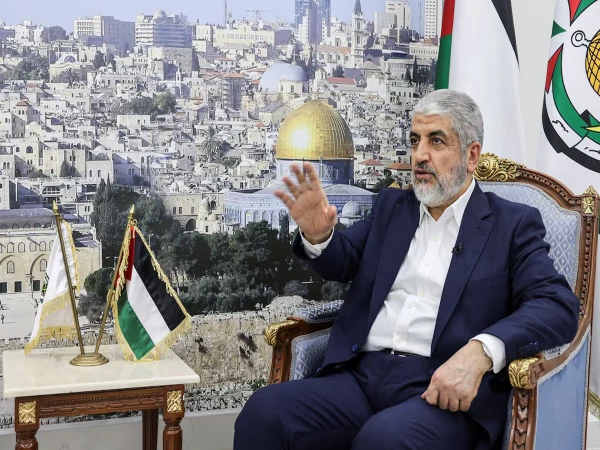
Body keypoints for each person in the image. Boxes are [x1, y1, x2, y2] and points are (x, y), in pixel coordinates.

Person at [233, 90, 579, 450]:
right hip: (361, 377)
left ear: (471, 155)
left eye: (436, 141)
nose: (420, 155)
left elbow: (556, 305)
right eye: (415, 141)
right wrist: (319, 236)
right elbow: (343, 259)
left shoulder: (511, 224)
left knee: (383, 441)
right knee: (264, 412)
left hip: (440, 389)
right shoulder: (392, 207)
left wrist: (480, 352)